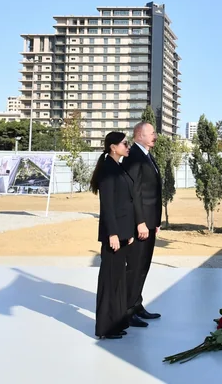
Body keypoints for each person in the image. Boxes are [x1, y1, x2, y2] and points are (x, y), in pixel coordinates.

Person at [91, 131, 136, 339]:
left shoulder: (118, 166)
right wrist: (113, 234)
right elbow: (107, 205)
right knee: (109, 281)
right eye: (124, 143)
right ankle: (105, 328)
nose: (128, 146)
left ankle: (116, 323)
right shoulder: (108, 169)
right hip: (114, 234)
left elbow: (126, 201)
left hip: (124, 232)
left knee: (118, 280)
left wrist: (129, 232)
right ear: (113, 147)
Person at [122, 121, 163, 328]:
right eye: (151, 133)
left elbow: (153, 192)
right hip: (140, 224)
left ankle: (137, 305)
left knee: (143, 266)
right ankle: (127, 312)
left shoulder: (146, 154)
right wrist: (140, 222)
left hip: (149, 223)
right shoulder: (134, 157)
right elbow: (134, 194)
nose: (155, 135)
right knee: (135, 267)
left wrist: (155, 221)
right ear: (139, 135)